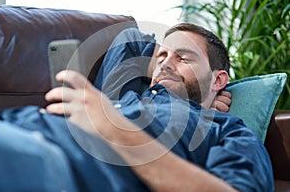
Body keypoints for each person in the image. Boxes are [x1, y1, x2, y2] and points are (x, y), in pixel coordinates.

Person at [44, 23, 274, 191]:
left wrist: (112, 127)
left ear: (218, 80)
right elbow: (130, 38)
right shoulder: (124, 96)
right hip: (26, 126)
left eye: (183, 58)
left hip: (55, 165)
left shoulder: (224, 129)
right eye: (162, 56)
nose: (165, 63)